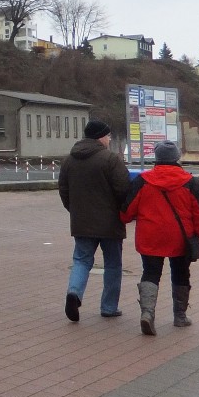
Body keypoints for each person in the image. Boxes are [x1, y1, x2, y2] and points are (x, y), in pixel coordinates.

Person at [120, 141, 199, 335]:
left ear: (156, 157)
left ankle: (147, 313)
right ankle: (179, 316)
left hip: (150, 236)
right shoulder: (191, 182)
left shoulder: (142, 181)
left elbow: (126, 212)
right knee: (180, 273)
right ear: (177, 158)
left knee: (150, 273)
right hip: (180, 238)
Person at [57, 119, 131, 322]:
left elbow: (63, 190)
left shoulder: (69, 160)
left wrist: (75, 210)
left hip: (81, 222)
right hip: (110, 223)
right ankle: (109, 307)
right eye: (108, 136)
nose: (109, 139)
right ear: (100, 137)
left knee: (81, 261)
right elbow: (124, 189)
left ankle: (74, 293)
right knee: (113, 265)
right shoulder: (110, 159)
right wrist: (124, 212)